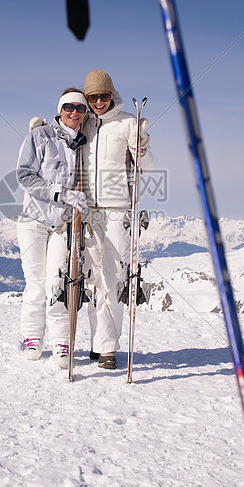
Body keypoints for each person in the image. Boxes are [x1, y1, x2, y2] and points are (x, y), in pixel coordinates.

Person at [81, 69, 153, 369]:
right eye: (93, 97)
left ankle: (108, 348)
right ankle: (98, 342)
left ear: (113, 95)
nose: (99, 101)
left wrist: (141, 144)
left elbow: (146, 168)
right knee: (91, 278)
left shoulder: (128, 124)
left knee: (112, 277)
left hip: (116, 210)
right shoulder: (83, 125)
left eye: (104, 95)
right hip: (86, 209)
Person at [16, 88, 88, 368]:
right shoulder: (39, 136)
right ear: (59, 109)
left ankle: (62, 340)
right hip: (33, 218)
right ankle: (32, 336)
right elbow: (24, 175)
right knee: (35, 282)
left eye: (80, 108)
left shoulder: (83, 142)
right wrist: (60, 193)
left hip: (62, 223)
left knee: (58, 282)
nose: (74, 112)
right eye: (69, 107)